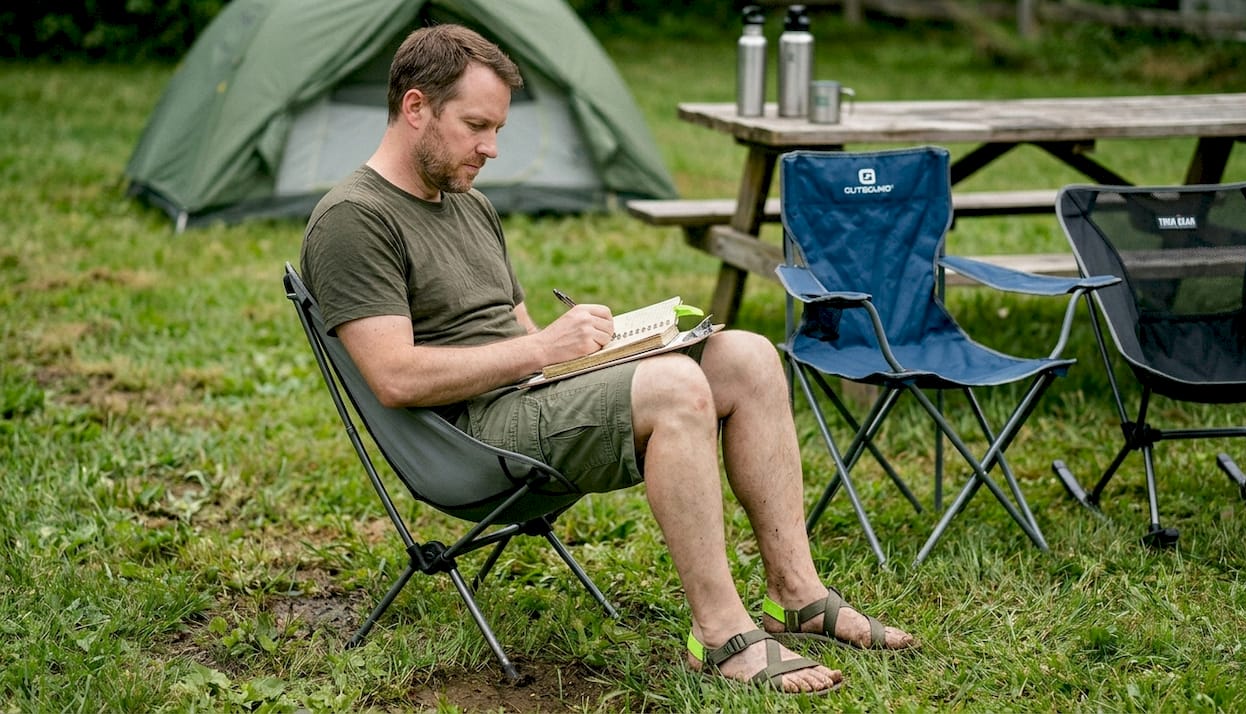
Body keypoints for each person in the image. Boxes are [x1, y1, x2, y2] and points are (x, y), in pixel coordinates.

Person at [300, 24, 915, 694]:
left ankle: (794, 590)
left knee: (748, 356)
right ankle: (719, 634)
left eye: (498, 128)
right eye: (476, 125)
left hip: (528, 398)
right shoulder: (354, 220)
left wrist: (602, 346)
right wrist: (542, 348)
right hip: (469, 439)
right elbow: (394, 378)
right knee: (677, 388)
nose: (492, 148)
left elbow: (520, 335)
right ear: (415, 107)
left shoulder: (468, 204)